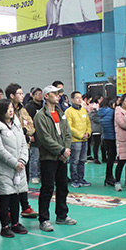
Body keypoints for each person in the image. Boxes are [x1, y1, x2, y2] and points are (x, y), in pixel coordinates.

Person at [34, 85, 77, 232]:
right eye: (54, 94)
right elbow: (45, 138)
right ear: (46, 96)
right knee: (47, 188)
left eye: (59, 94)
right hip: (49, 158)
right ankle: (44, 219)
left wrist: (66, 149)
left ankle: (62, 215)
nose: (58, 96)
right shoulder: (40, 116)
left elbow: (68, 133)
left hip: (62, 157)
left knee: (63, 187)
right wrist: (61, 150)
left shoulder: (61, 113)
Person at [0, 99, 29, 238]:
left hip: (18, 167)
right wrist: (14, 163)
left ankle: (15, 223)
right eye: (7, 108)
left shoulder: (16, 124)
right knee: (5, 196)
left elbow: (23, 144)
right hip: (3, 168)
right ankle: (4, 226)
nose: (11, 111)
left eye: (12, 108)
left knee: (16, 195)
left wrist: (22, 160)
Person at [5, 83, 37, 219]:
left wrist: (25, 131)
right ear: (12, 96)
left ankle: (25, 206)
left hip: (24, 149)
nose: (23, 96)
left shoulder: (23, 109)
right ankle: (8, 209)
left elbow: (31, 126)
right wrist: (20, 133)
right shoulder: (4, 109)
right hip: (11, 151)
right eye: (19, 93)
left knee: (24, 179)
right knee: (10, 181)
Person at [65, 91, 91, 187]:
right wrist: (80, 135)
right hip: (75, 140)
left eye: (81, 98)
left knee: (82, 160)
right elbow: (69, 126)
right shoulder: (69, 111)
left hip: (84, 140)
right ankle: (74, 180)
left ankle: (81, 178)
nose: (80, 100)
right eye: (77, 98)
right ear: (72, 99)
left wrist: (88, 133)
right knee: (74, 161)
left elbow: (88, 123)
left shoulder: (83, 111)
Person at [24, 87, 44, 184]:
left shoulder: (44, 106)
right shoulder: (29, 107)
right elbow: (27, 122)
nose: (40, 96)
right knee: (34, 157)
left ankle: (41, 174)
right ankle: (34, 175)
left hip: (43, 136)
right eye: (37, 94)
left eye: (41, 93)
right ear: (32, 95)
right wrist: (30, 134)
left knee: (42, 157)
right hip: (34, 136)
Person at [98, 97, 116, 186]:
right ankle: (109, 177)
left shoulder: (101, 112)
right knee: (111, 158)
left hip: (105, 136)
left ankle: (108, 176)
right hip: (113, 136)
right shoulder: (112, 112)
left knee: (110, 158)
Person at [88, 95, 103, 163]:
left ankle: (97, 158)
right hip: (95, 128)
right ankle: (96, 158)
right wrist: (102, 119)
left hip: (98, 128)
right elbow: (94, 118)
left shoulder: (98, 108)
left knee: (98, 143)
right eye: (100, 99)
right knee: (96, 144)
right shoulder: (94, 108)